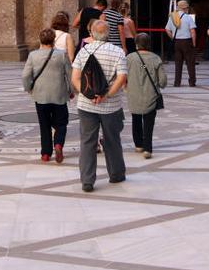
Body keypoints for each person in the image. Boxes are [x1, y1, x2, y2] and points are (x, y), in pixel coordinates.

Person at [71, 21, 128, 192]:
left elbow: (75, 79)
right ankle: (116, 174)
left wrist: (90, 95)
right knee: (112, 140)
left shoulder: (83, 51)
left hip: (86, 105)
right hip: (111, 105)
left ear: (92, 33)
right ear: (108, 33)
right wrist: (107, 95)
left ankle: (87, 180)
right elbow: (122, 78)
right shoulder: (118, 52)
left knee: (87, 141)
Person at [23, 28, 72, 163]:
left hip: (40, 95)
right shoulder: (62, 55)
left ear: (40, 40)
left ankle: (45, 153)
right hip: (59, 94)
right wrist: (72, 90)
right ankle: (58, 144)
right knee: (61, 122)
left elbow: (25, 75)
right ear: (53, 40)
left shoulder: (33, 55)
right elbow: (70, 74)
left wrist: (28, 88)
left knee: (44, 125)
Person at [126, 33, 166, 159]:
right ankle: (147, 148)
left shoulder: (129, 58)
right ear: (149, 44)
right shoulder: (156, 58)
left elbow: (123, 76)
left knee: (135, 119)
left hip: (133, 94)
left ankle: (138, 144)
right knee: (149, 122)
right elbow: (163, 82)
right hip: (151, 95)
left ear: (136, 44)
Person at [165, 0, 197, 87]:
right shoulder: (188, 17)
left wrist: (172, 37)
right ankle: (192, 81)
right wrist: (194, 44)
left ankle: (177, 82)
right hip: (187, 42)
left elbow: (167, 29)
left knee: (178, 63)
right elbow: (193, 31)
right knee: (190, 63)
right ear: (185, 8)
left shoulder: (172, 17)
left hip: (177, 42)